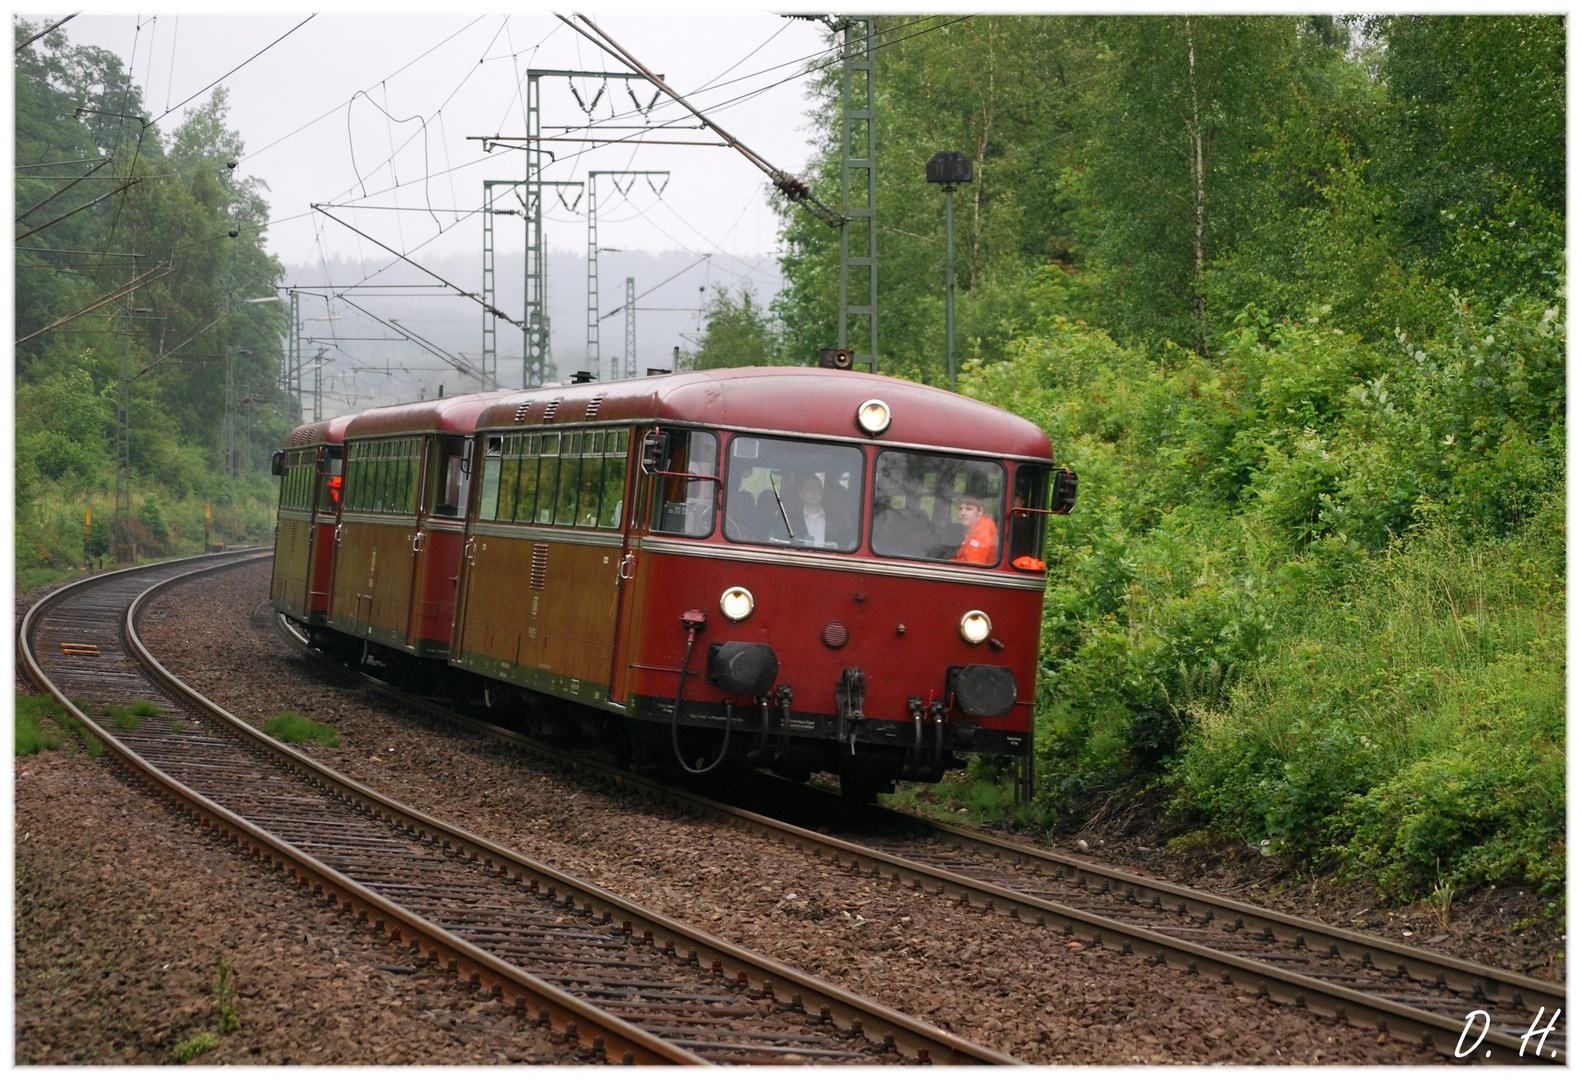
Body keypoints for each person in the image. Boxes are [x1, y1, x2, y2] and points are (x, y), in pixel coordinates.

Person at [788, 473, 856, 549]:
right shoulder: (790, 521)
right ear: (801, 494)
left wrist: (837, 546)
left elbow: (848, 542)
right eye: (808, 489)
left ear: (822, 493)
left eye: (816, 489)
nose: (813, 493)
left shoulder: (837, 521)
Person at [952, 485, 999, 565]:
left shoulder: (983, 529)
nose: (963, 513)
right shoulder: (975, 527)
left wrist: (947, 563)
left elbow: (972, 564)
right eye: (960, 509)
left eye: (968, 509)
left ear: (980, 511)